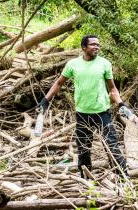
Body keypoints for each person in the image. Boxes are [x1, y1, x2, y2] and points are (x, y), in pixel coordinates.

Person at [38, 35, 128, 178]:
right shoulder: (73, 64)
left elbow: (112, 89)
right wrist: (45, 100)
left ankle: (123, 177)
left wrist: (121, 104)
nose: (96, 47)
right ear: (83, 47)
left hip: (102, 113)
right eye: (93, 44)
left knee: (111, 145)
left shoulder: (105, 63)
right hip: (82, 114)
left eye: (98, 44)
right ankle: (86, 179)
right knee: (83, 149)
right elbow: (59, 83)